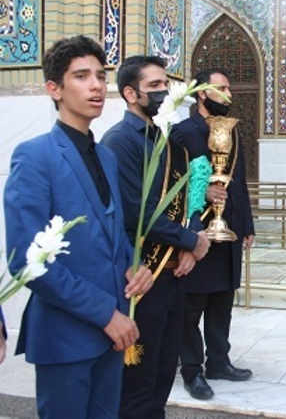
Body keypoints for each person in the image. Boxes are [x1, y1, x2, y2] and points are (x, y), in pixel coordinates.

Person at [4, 35, 153, 418]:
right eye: (82, 76)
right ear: (54, 88)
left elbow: (112, 234)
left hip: (113, 335)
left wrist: (134, 264)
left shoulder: (105, 156)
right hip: (66, 336)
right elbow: (27, 262)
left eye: (100, 76)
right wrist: (106, 314)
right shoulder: (34, 156)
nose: (96, 86)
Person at [101, 55, 211, 418]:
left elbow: (187, 197)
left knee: (163, 375)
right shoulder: (121, 141)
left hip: (174, 275)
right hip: (144, 276)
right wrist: (189, 241)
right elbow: (137, 213)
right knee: (139, 383)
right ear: (130, 93)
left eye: (166, 84)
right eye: (154, 86)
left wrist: (192, 236)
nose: (164, 91)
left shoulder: (164, 139)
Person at [171, 68, 255, 400]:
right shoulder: (182, 132)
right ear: (203, 93)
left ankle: (219, 361)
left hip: (228, 229)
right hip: (199, 233)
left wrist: (246, 224)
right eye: (222, 88)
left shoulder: (232, 132)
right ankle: (192, 371)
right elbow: (171, 183)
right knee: (192, 306)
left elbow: (240, 181)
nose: (229, 94)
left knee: (222, 302)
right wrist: (201, 190)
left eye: (230, 88)